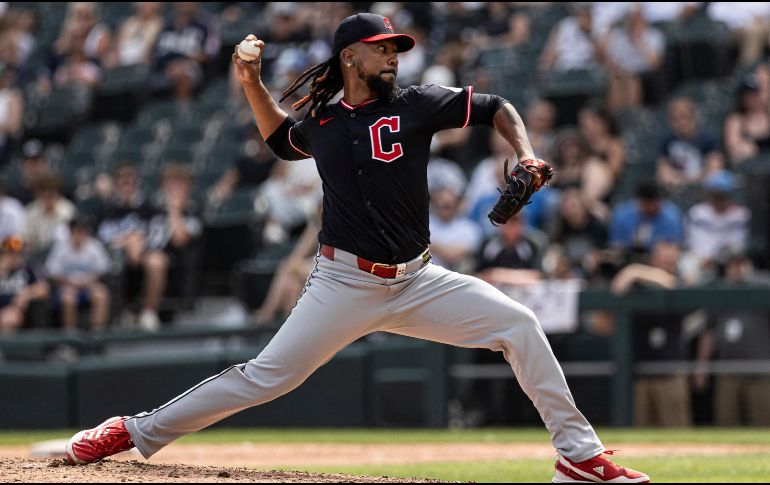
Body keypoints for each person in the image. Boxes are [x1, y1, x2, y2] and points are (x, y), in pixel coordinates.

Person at [65, 14, 649, 483]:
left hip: (418, 280)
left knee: (519, 325)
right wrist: (252, 85)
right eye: (382, 47)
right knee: (266, 377)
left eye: (396, 47)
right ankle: (133, 431)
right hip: (343, 283)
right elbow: (280, 141)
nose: (393, 55)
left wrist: (525, 152)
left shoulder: (416, 102)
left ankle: (578, 456)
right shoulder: (323, 119)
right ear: (351, 56)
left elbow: (496, 107)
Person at [611, 241, 692, 427]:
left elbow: (674, 284)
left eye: (670, 260)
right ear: (653, 260)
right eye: (661, 259)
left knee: (677, 431)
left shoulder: (677, 281)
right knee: (640, 432)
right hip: (640, 373)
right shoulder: (638, 288)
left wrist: (635, 270)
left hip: (670, 373)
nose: (666, 264)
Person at [693, 252, 770, 426]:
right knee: (726, 423)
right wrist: (701, 366)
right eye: (731, 264)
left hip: (760, 372)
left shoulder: (763, 286)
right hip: (727, 371)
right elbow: (708, 333)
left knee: (764, 424)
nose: (736, 268)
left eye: (739, 262)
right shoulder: (720, 291)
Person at [45, 216, 111, 332]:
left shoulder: (95, 246)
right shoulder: (60, 247)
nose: (80, 233)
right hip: (66, 286)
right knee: (68, 298)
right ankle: (70, 337)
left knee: (101, 295)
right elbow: (53, 273)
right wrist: (69, 283)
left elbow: (101, 271)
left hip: (89, 285)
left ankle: (97, 335)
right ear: (71, 231)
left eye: (82, 230)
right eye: (77, 230)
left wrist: (89, 281)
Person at [657, 97, 724, 191]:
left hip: (702, 189)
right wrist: (674, 178)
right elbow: (663, 171)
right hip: (678, 188)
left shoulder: (708, 140)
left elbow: (715, 170)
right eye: (676, 119)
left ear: (694, 117)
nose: (682, 123)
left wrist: (691, 181)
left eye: (685, 117)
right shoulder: (668, 142)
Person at [0, 235, 49, 335]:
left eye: (18, 254)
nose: (14, 257)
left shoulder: (27, 268)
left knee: (10, 319)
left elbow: (44, 289)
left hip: (18, 312)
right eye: (10, 253)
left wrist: (26, 294)